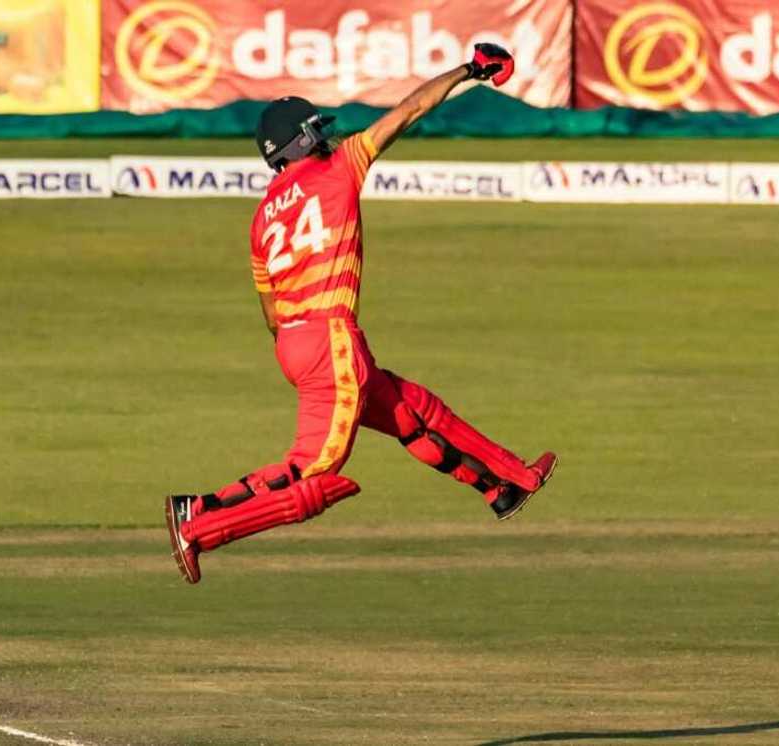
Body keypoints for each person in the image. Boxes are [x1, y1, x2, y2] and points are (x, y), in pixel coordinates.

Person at [164, 44, 556, 585]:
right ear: (300, 141)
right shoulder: (341, 166)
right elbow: (411, 109)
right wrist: (470, 71)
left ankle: (508, 484)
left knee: (414, 410)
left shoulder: (261, 219)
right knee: (314, 471)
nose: (322, 136)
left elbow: (272, 313)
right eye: (313, 130)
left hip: (296, 345)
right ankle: (201, 519)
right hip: (330, 337)